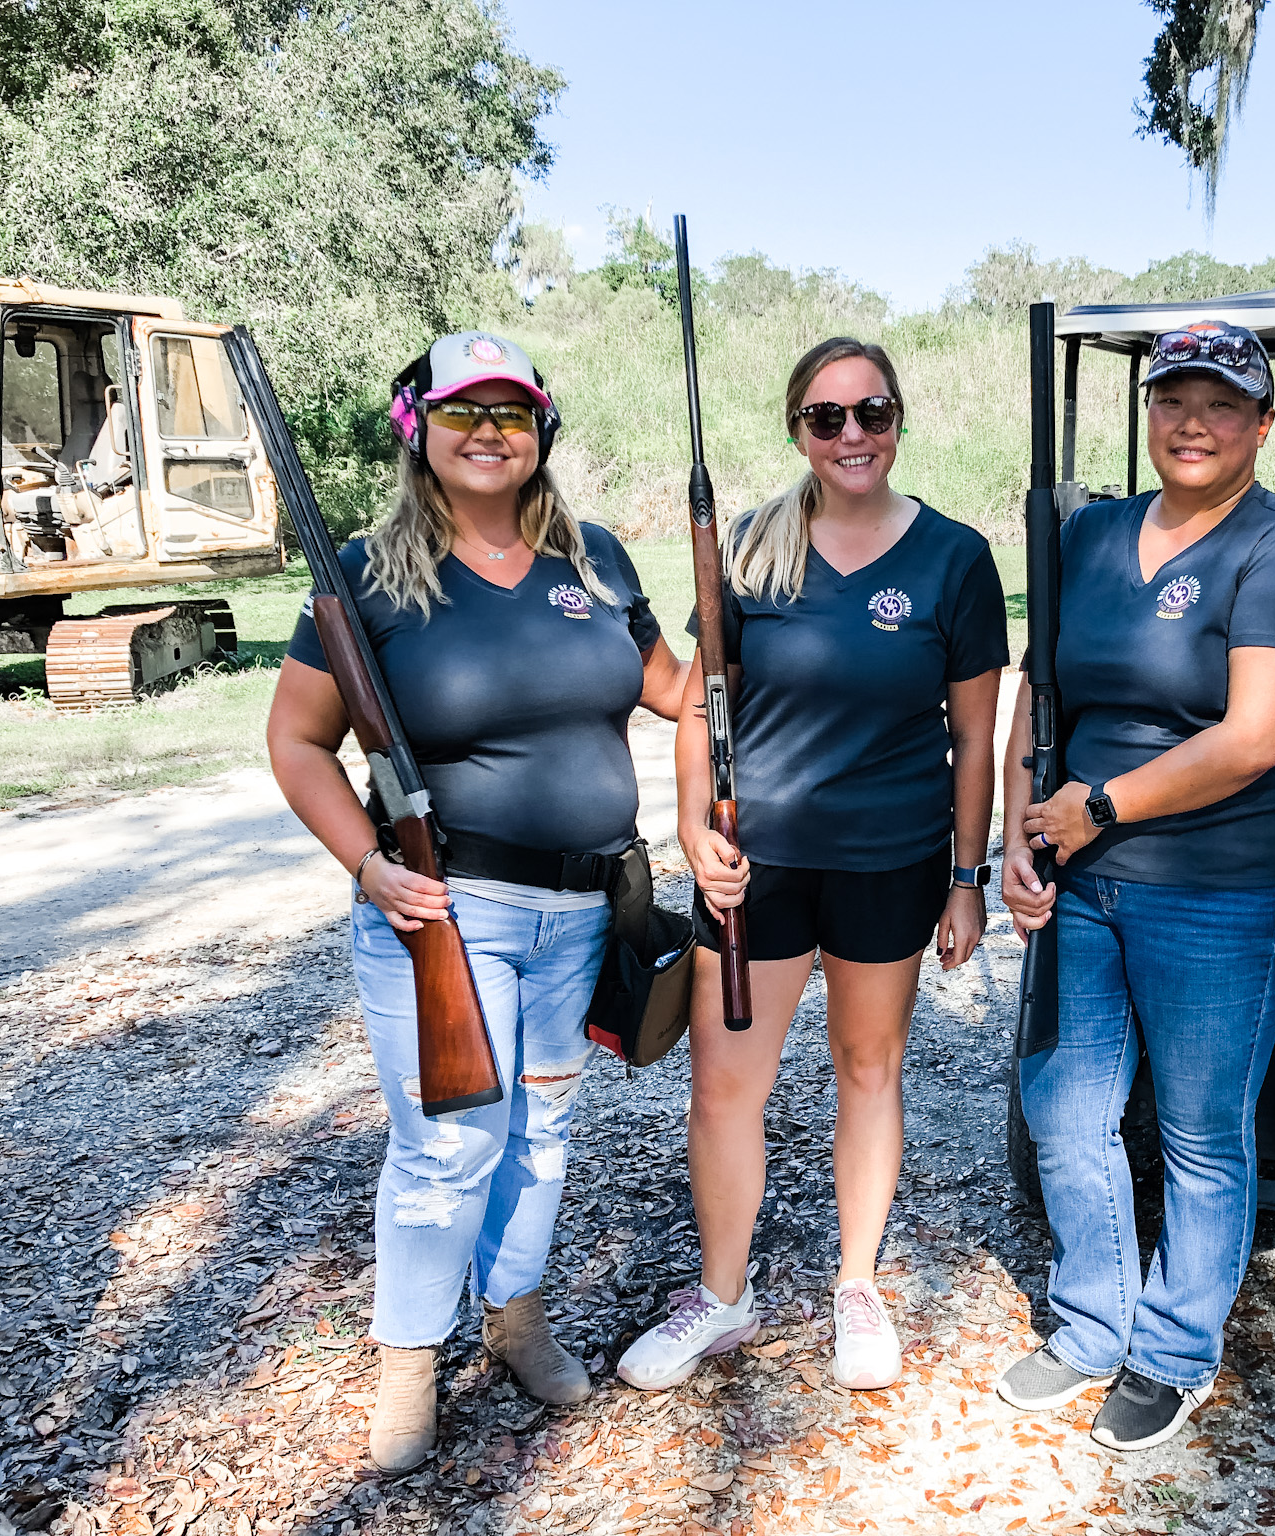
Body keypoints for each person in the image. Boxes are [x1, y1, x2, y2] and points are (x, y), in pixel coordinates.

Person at [267, 332, 686, 1470]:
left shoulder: (593, 558)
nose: (489, 434)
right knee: (450, 1145)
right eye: (463, 413)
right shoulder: (363, 577)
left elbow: (675, 691)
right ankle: (409, 1358)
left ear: (541, 431)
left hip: (588, 908)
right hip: (445, 913)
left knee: (540, 1129)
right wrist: (366, 862)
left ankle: (514, 1318)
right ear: (420, 430)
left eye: (511, 413)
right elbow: (299, 744)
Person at [615, 337, 1007, 1395]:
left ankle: (856, 1285)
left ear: (897, 422)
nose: (850, 437)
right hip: (760, 868)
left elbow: (975, 737)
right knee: (723, 1086)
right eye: (826, 418)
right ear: (797, 429)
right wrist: (693, 828)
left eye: (870, 414)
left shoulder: (955, 558)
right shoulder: (749, 548)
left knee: (867, 1070)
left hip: (893, 859)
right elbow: (705, 699)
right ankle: (723, 1293)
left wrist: (967, 878)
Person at [995, 322, 1275, 1452]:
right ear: (1147, 413)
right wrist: (1016, 834)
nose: (1191, 423)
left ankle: (1174, 1349)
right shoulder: (1091, 534)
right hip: (1080, 877)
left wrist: (1097, 808)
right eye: (1172, 401)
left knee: (1200, 1133)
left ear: (1261, 422)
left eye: (1220, 404)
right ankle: (1092, 1323)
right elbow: (1036, 692)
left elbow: (1253, 739)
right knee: (1064, 1106)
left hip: (1221, 885)